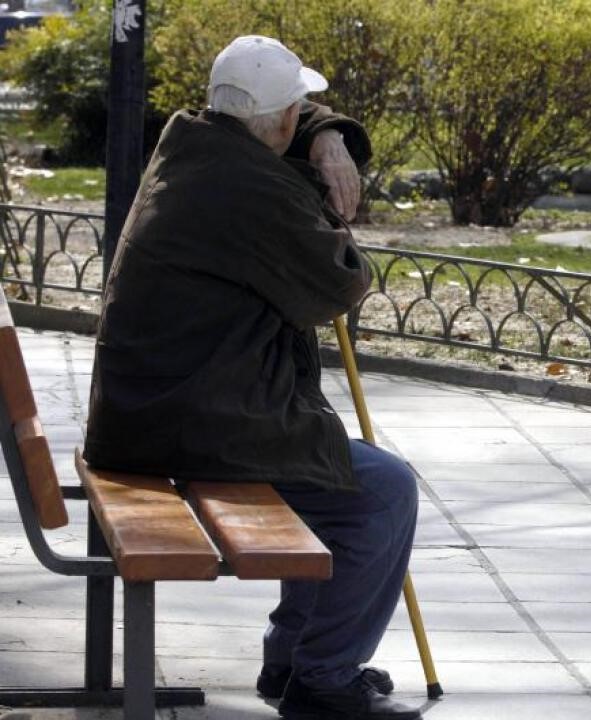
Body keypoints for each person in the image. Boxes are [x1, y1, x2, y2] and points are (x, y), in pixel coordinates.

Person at [83, 35, 422, 720]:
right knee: (383, 491)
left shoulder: (197, 148)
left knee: (331, 466)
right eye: (302, 111)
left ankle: (295, 655)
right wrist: (325, 189)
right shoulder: (248, 189)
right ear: (282, 122)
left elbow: (276, 134)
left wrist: (325, 137)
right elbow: (339, 281)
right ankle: (323, 676)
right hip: (191, 423)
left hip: (157, 409)